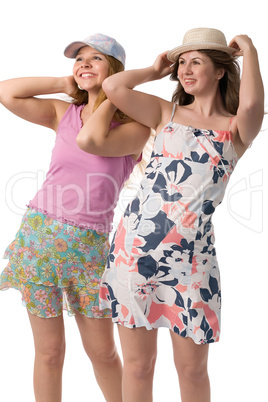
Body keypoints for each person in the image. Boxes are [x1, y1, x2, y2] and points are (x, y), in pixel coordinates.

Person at [99, 27, 264, 402]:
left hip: (192, 263)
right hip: (134, 253)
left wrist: (250, 49)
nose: (186, 71)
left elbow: (253, 106)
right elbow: (114, 89)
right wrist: (154, 72)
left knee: (192, 370)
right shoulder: (164, 111)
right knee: (138, 367)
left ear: (221, 70)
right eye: (182, 64)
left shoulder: (236, 128)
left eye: (197, 62)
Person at [0, 33, 150, 402]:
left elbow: (92, 141)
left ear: (114, 71)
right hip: (39, 238)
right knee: (50, 353)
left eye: (95, 58)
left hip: (90, 250)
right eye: (78, 59)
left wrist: (111, 95)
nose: (83, 63)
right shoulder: (61, 113)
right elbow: (7, 92)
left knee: (103, 353)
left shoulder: (136, 130)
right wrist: (63, 85)